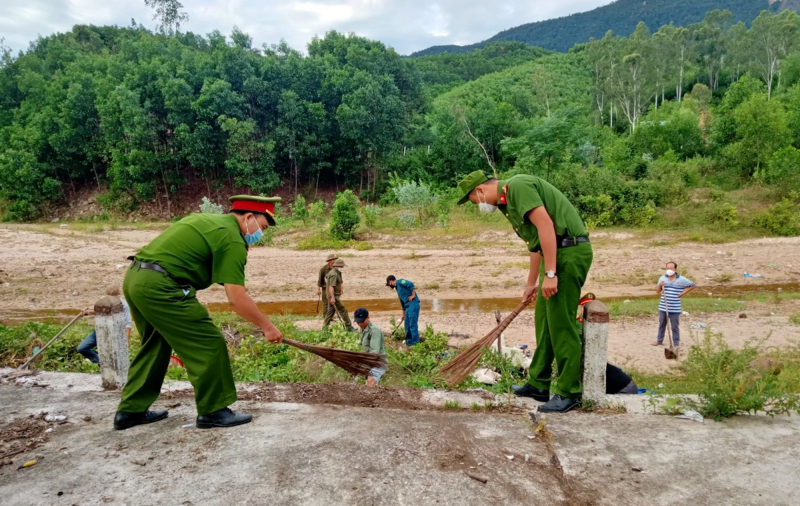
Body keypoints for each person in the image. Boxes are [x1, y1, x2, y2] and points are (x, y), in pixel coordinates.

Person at [113, 195, 284, 431]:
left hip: (136, 279)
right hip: (162, 287)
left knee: (155, 342)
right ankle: (213, 411)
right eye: (262, 227)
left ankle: (130, 412)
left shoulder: (208, 221)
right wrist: (268, 327)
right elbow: (236, 298)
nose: (260, 235)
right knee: (208, 341)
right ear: (248, 217)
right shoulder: (232, 238)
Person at [456, 171, 593, 413]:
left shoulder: (517, 187)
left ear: (479, 191)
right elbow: (535, 245)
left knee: (562, 325)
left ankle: (569, 392)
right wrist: (531, 283)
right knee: (544, 321)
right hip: (553, 255)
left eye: (473, 201)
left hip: (567, 254)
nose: (477, 206)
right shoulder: (507, 205)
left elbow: (546, 226)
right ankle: (538, 384)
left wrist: (550, 274)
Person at [77, 286, 133, 364]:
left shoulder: (124, 305)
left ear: (118, 295)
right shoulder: (103, 301)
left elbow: (128, 323)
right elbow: (101, 311)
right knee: (82, 348)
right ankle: (100, 361)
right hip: (99, 332)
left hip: (114, 334)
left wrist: (126, 339)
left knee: (115, 357)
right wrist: (89, 311)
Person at [653, 261, 696, 354]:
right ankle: (659, 341)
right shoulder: (662, 278)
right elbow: (657, 291)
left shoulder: (682, 279)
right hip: (663, 307)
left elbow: (693, 285)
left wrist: (682, 293)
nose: (669, 270)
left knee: (674, 327)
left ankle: (676, 344)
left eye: (671, 268)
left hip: (675, 308)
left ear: (675, 269)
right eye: (667, 268)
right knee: (662, 324)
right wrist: (660, 285)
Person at [354, 308, 386, 386]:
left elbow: (375, 352)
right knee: (355, 380)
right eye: (358, 322)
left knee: (370, 381)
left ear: (368, 318)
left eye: (361, 321)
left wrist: (365, 365)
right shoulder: (362, 329)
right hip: (367, 361)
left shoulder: (374, 331)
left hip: (378, 362)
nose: (360, 324)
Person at [385, 275, 421, 346]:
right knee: (407, 325)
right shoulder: (398, 289)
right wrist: (403, 315)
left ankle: (415, 343)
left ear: (391, 282)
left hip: (413, 304)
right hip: (407, 307)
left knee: (412, 324)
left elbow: (410, 284)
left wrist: (413, 295)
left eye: (389, 284)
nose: (389, 285)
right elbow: (402, 303)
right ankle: (409, 341)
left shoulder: (400, 282)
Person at [323, 258, 355, 331]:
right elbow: (331, 286)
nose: (343, 267)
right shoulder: (334, 274)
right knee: (343, 310)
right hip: (333, 295)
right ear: (338, 266)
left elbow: (326, 278)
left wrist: (340, 288)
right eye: (342, 266)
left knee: (330, 312)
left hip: (332, 295)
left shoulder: (334, 272)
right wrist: (332, 297)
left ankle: (324, 328)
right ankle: (349, 327)